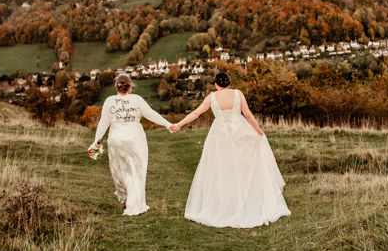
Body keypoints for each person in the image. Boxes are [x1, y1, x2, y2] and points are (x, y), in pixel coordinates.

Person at [170, 71, 290, 228]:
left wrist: (179, 124)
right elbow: (248, 115)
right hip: (240, 132)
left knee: (223, 168)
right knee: (243, 165)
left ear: (216, 84)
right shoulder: (238, 94)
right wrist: (258, 131)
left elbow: (196, 113)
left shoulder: (211, 98)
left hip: (220, 136)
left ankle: (228, 201)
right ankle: (245, 197)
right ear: (228, 83)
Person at [91, 74, 174, 215]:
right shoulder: (137, 99)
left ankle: (124, 199)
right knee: (136, 170)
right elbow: (151, 114)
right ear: (130, 86)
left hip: (116, 139)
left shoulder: (109, 101)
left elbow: (104, 122)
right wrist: (168, 124)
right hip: (135, 138)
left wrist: (97, 141)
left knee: (118, 170)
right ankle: (135, 204)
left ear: (116, 86)